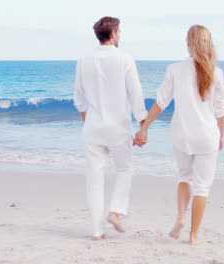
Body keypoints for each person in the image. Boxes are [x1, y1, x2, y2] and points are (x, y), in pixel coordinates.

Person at [134, 25, 224, 245]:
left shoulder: (174, 69)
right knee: (202, 187)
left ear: (189, 44)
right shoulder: (217, 72)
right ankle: (193, 235)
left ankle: (180, 218)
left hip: (181, 135)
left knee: (184, 177)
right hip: (207, 136)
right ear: (208, 44)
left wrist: (144, 127)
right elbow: (220, 110)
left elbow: (161, 102)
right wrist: (221, 135)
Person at [73, 16, 148, 240]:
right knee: (125, 169)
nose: (120, 35)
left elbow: (79, 98)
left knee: (94, 178)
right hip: (118, 127)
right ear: (113, 33)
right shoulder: (125, 59)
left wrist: (88, 120)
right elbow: (136, 96)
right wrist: (142, 126)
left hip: (93, 128)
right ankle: (115, 211)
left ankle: (97, 232)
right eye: (120, 32)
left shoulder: (83, 59)